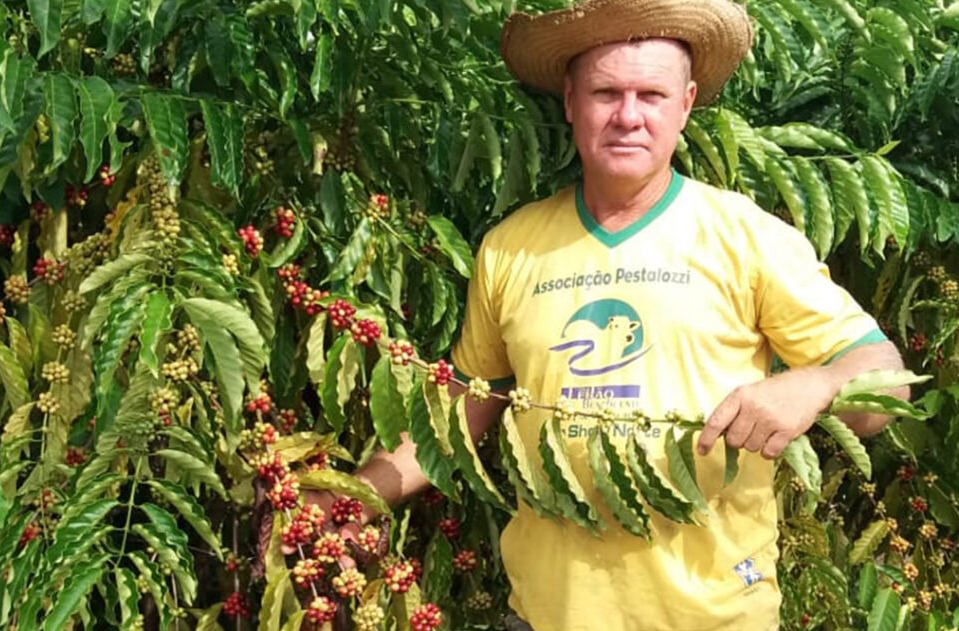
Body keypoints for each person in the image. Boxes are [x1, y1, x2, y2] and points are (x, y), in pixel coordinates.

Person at [313, 1, 908, 629]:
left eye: (651, 94)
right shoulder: (510, 247)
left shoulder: (747, 237)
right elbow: (462, 405)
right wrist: (354, 496)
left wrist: (814, 384)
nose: (629, 116)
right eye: (606, 92)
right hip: (545, 615)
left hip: (713, 618)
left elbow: (886, 385)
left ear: (686, 104)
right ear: (571, 101)